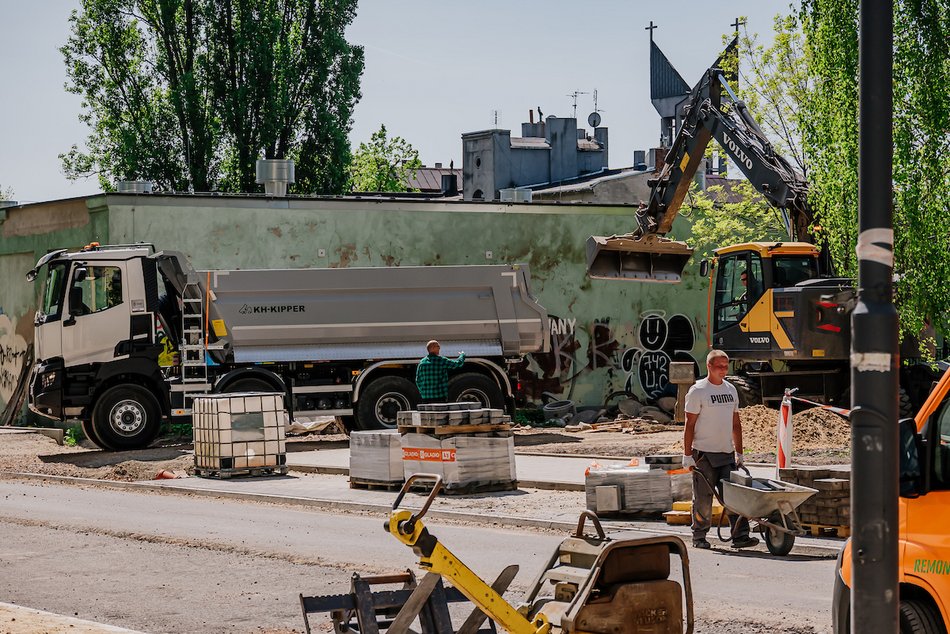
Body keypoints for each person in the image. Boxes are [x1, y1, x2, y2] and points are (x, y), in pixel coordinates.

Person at [682, 349, 759, 550]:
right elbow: (689, 425)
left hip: (726, 454)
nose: (724, 370)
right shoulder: (698, 391)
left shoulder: (731, 390)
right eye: (719, 366)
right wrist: (687, 455)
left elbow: (736, 424)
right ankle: (699, 536)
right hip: (704, 455)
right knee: (703, 500)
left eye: (726, 366)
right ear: (709, 366)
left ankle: (740, 536)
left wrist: (739, 453)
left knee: (734, 497)